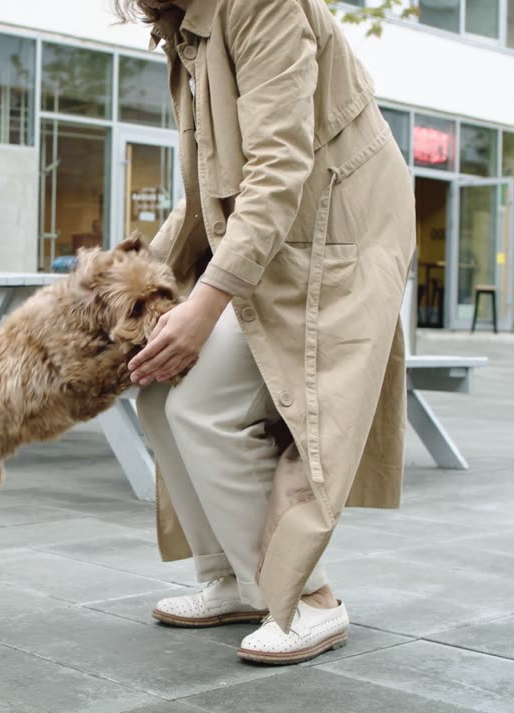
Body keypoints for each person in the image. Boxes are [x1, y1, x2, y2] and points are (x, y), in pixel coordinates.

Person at [117, 0, 414, 665]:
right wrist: (145, 278)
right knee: (162, 397)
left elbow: (278, 166)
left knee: (205, 403)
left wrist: (204, 307)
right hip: (278, 241)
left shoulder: (262, 4)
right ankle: (232, 580)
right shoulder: (186, 28)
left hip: (335, 241)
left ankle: (308, 599)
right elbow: (206, 192)